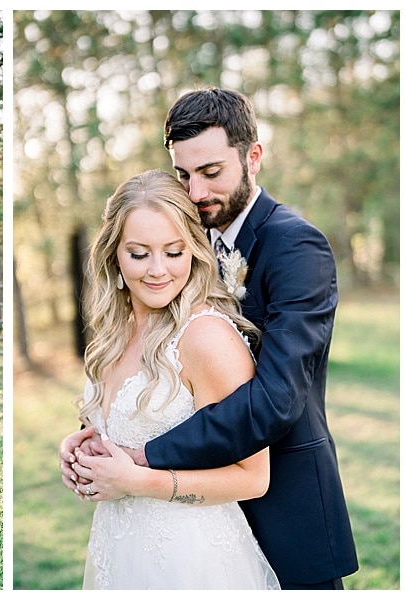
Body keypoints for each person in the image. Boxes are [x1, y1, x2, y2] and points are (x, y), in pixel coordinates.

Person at [61, 88, 359, 589]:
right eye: (183, 174)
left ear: (253, 157)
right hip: (174, 528)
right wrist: (98, 442)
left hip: (283, 505)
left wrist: (143, 456)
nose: (195, 192)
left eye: (212, 172)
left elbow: (276, 400)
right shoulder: (184, 240)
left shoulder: (295, 246)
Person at [69, 169, 278, 589]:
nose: (157, 270)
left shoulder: (206, 338)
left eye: (174, 251)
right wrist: (83, 447)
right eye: (139, 253)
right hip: (121, 546)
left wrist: (138, 481)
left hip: (190, 559)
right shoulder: (116, 330)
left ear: (194, 251)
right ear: (114, 254)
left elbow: (253, 478)